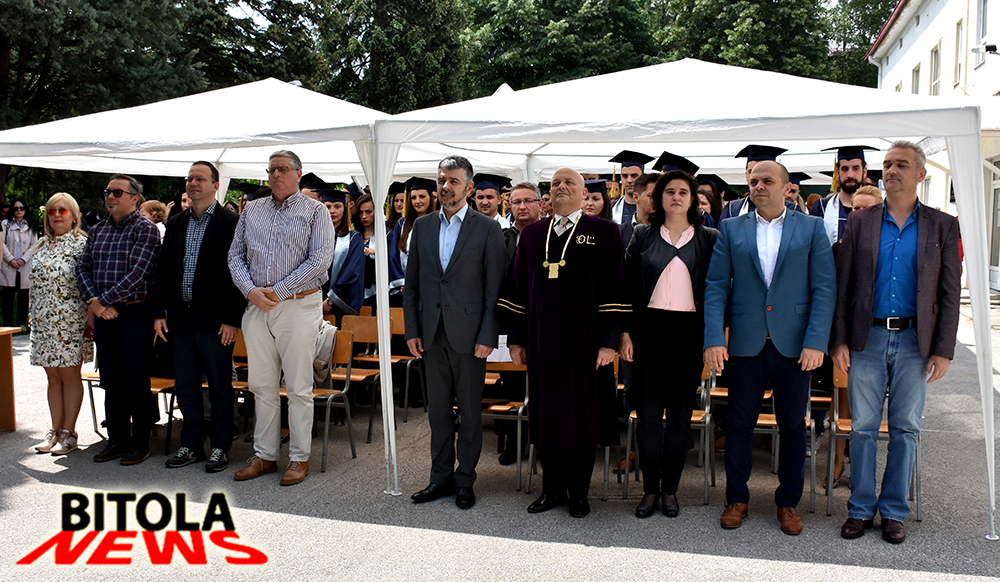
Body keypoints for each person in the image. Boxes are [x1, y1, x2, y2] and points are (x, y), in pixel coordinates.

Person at [832, 141, 961, 544]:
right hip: (866, 338)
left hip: (914, 342)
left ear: (921, 174)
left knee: (905, 428)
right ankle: (859, 509)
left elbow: (949, 293)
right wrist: (839, 340)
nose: (891, 170)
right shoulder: (861, 222)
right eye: (887, 164)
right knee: (863, 429)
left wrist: (943, 349)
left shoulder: (942, 225)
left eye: (901, 165)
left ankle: (893, 512)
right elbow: (843, 285)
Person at [703, 160, 835, 535]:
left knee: (792, 426)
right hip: (746, 344)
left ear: (786, 186)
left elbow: (824, 288)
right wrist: (714, 337)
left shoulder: (810, 228)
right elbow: (716, 286)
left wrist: (815, 342)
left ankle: (788, 502)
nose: (758, 186)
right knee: (739, 425)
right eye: (754, 181)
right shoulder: (731, 228)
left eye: (767, 181)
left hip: (794, 346)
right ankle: (737, 498)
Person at [498, 167, 624, 518]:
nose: (561, 187)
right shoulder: (533, 234)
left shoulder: (605, 232)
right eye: (555, 184)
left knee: (582, 417)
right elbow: (517, 288)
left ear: (584, 194)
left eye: (570, 183)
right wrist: (516, 339)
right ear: (547, 196)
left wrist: (608, 342)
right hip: (542, 342)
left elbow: (615, 287)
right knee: (546, 416)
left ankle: (579, 492)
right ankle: (551, 489)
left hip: (587, 345)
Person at [403, 155, 506, 510]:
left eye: (453, 181)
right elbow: (412, 284)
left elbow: (495, 288)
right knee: (438, 412)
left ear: (469, 187)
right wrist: (412, 329)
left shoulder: (488, 229)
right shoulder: (423, 226)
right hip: (431, 335)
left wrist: (488, 335)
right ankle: (439, 478)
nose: (445, 187)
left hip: (470, 336)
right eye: (441, 180)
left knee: (471, 414)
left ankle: (465, 480)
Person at [228, 150, 335, 486]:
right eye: (271, 169)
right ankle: (265, 455)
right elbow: (235, 256)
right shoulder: (252, 210)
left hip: (298, 306)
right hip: (257, 306)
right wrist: (250, 291)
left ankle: (299, 458)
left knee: (299, 386)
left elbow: (320, 260)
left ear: (298, 174)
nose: (275, 174)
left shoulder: (316, 211)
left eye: (283, 169)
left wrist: (279, 291)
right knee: (261, 386)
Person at [620, 170, 718, 518]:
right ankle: (650, 490)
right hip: (648, 333)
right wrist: (625, 333)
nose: (676, 197)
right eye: (670, 191)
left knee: (679, 416)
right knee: (648, 416)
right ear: (659, 198)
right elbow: (626, 288)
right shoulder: (642, 235)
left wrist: (713, 338)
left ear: (692, 199)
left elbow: (717, 291)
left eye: (683, 192)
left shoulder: (709, 238)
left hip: (689, 334)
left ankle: (671, 490)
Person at [155, 161, 245, 473]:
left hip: (217, 322)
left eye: (200, 179)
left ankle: (220, 446)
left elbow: (238, 273)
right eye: (190, 178)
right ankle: (191, 444)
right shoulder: (176, 222)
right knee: (186, 385)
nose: (193, 183)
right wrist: (159, 313)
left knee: (219, 387)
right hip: (180, 319)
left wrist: (233, 319)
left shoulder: (231, 222)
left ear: (215, 185)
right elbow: (164, 270)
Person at [76, 174, 161, 465]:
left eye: (117, 192)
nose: (110, 197)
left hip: (134, 313)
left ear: (134, 198)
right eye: (107, 192)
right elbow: (82, 268)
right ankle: (116, 440)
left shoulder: (146, 229)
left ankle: (140, 443)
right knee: (111, 381)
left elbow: (139, 272)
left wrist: (103, 300)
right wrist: (95, 302)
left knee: (136, 380)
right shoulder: (98, 230)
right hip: (104, 314)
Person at [30, 193, 92, 456]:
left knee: (68, 376)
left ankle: (70, 432)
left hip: (70, 322)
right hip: (44, 321)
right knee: (52, 377)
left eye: (63, 211)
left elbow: (89, 283)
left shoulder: (81, 245)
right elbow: (35, 283)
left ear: (74, 216)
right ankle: (54, 430)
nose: (56, 215)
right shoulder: (42, 244)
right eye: (52, 211)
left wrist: (91, 316)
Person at [811, 145, 878, 245]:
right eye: (845, 169)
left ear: (864, 172)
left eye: (855, 168)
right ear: (837, 173)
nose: (850, 175)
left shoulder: (876, 208)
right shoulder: (821, 208)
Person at [388, 177, 438, 300]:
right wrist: (402, 283)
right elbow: (393, 255)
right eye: (413, 197)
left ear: (431, 198)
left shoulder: (439, 223)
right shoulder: (402, 224)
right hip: (405, 289)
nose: (417, 201)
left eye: (422, 196)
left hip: (431, 288)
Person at [718, 145, 799, 220]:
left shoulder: (793, 210)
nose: (756, 176)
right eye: (751, 171)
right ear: (746, 175)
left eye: (765, 172)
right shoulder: (732, 209)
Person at [322, 189, 365, 323]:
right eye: (327, 206)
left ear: (345, 209)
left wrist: (330, 300)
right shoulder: (315, 236)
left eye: (337, 206)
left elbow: (352, 271)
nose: (332, 211)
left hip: (339, 304)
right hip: (313, 302)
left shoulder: (354, 238)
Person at [1, 198, 38, 328]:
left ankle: (21, 323)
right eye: (16, 208)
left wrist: (23, 260)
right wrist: (11, 259)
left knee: (23, 297)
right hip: (9, 266)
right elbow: (1, 244)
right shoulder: (5, 224)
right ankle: (7, 324)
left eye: (21, 208)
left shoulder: (31, 225)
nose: (19, 211)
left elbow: (35, 245)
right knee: (7, 297)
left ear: (25, 210)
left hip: (24, 266)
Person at [609, 150, 655, 225]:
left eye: (634, 175)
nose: (629, 180)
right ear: (621, 178)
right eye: (625, 176)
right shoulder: (611, 207)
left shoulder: (652, 207)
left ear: (643, 177)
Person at [502, 182, 543, 263]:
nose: (522, 207)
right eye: (517, 202)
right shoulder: (501, 238)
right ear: (511, 205)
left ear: (540, 205)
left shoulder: (552, 235)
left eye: (528, 201)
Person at [351, 193, 379, 309]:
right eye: (360, 212)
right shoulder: (352, 235)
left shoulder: (386, 235)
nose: (364, 216)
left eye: (368, 212)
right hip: (353, 290)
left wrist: (376, 253)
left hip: (376, 292)